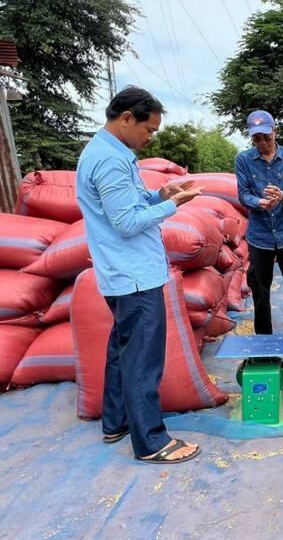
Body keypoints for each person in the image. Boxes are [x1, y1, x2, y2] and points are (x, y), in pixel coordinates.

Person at [76, 86, 202, 464]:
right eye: (149, 130)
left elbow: (129, 204)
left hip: (123, 273)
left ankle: (116, 422)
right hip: (134, 276)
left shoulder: (110, 153)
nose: (151, 138)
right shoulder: (110, 160)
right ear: (127, 118)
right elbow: (127, 222)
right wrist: (172, 207)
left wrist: (159, 194)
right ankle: (151, 441)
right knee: (143, 360)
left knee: (123, 351)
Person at [234, 110, 283, 340]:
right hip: (260, 236)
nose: (262, 143)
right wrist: (259, 202)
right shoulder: (243, 160)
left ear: (275, 131)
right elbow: (243, 194)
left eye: (266, 136)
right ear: (251, 138)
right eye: (257, 138)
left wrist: (282, 196)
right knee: (260, 291)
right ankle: (264, 339)